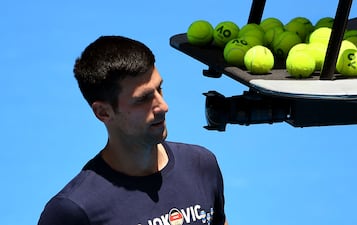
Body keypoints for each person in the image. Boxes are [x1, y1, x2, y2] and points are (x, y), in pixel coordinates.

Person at [38, 35, 228, 225]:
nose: (163, 106)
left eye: (159, 89)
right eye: (143, 99)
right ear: (103, 112)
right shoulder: (72, 212)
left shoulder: (202, 165)